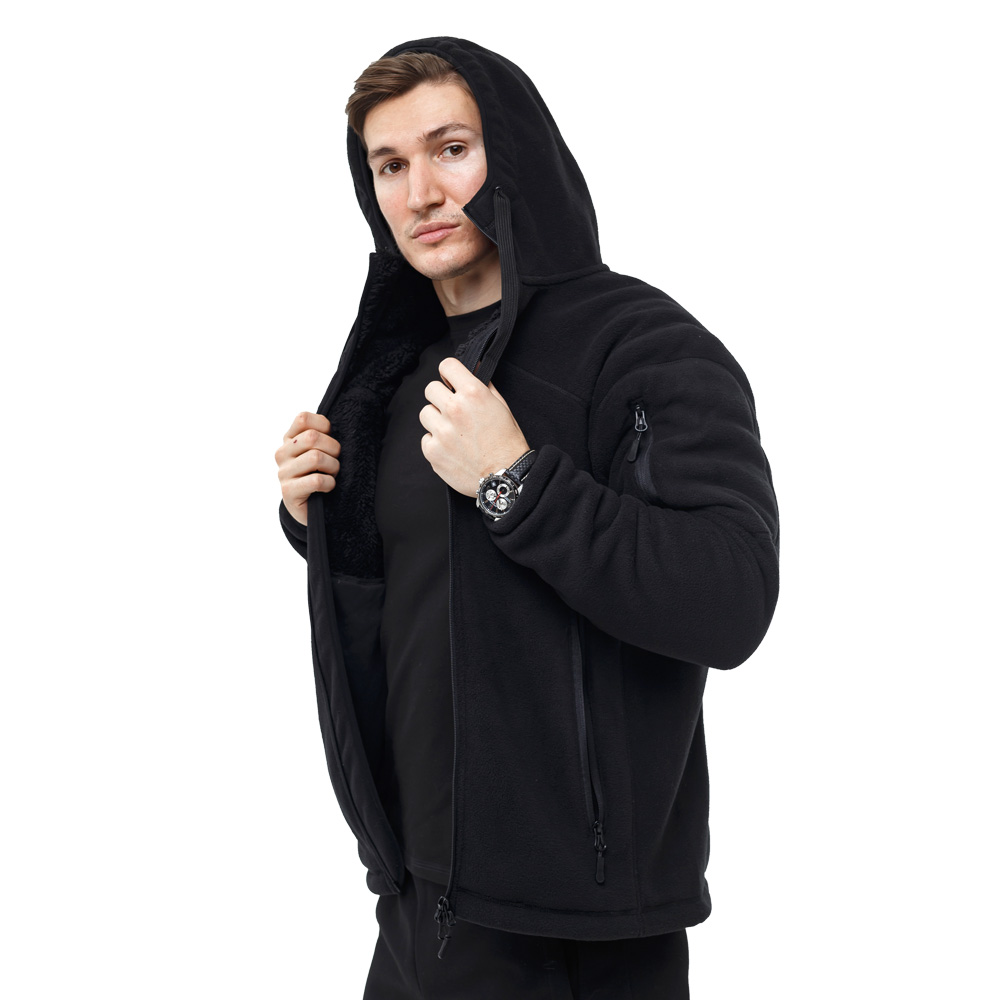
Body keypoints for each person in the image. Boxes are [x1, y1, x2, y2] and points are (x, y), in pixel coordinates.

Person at [274, 36, 779, 999]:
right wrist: (320, 520)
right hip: (416, 908)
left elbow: (731, 597)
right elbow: (434, 593)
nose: (422, 192)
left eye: (450, 149)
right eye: (390, 165)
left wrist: (515, 481)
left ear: (514, 154)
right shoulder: (402, 369)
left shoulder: (642, 344)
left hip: (580, 939)